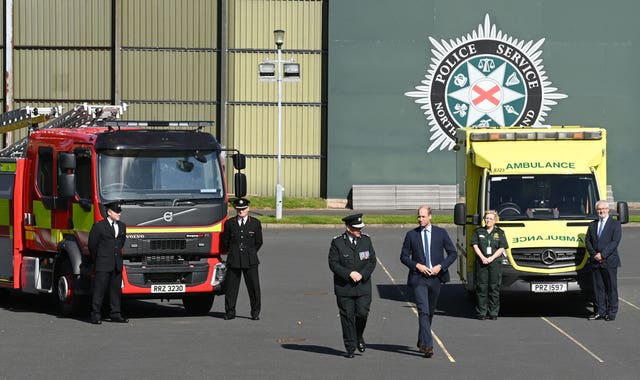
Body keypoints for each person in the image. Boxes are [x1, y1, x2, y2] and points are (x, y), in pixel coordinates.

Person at [400, 205, 456, 358]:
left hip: (436, 278)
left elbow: (452, 253)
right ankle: (429, 346)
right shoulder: (411, 235)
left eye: (423, 216)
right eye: (418, 216)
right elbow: (404, 256)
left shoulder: (441, 233)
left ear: (430, 216)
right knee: (423, 311)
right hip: (419, 279)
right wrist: (416, 265)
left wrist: (441, 267)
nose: (420, 219)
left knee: (430, 312)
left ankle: (421, 340)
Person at [328, 213, 377, 358]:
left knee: (362, 314)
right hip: (345, 288)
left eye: (360, 228)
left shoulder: (366, 240)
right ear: (348, 228)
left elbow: (372, 261)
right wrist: (349, 273)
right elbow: (333, 264)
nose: (359, 231)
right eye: (356, 229)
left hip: (363, 286)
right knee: (347, 317)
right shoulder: (337, 243)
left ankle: (358, 335)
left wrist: (362, 274)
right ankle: (350, 346)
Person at [221, 197, 263, 320]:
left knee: (254, 288)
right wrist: (233, 252)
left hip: (250, 260)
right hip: (234, 259)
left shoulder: (255, 223)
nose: (241, 211)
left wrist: (250, 253)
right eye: (239, 209)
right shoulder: (229, 224)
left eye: (244, 209)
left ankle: (255, 313)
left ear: (248, 209)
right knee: (231, 289)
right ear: (236, 209)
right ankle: (230, 312)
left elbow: (259, 242)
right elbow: (225, 241)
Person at [88, 201, 128, 324]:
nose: (119, 214)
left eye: (119, 211)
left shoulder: (122, 226)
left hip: (116, 263)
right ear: (109, 212)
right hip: (103, 262)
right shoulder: (99, 226)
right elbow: (92, 245)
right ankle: (95, 314)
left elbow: (121, 243)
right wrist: (100, 258)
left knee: (115, 290)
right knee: (99, 290)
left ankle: (115, 314)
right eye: (116, 212)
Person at [585, 200, 622, 321]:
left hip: (609, 261)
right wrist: (594, 254)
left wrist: (603, 254)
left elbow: (615, 242)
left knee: (611, 288)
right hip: (595, 261)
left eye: (604, 209)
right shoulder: (592, 225)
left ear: (608, 210)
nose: (601, 211)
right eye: (599, 209)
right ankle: (600, 312)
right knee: (598, 288)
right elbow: (587, 241)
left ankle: (611, 313)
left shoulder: (615, 224)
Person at [471, 210, 508, 320]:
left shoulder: (500, 233)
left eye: (490, 218)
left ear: (495, 220)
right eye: (486, 218)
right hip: (482, 262)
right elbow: (475, 245)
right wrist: (482, 257)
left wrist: (492, 257)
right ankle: (482, 312)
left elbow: (502, 248)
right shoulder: (478, 231)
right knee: (482, 287)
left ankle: (493, 312)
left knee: (494, 287)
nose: (488, 220)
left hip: (494, 263)